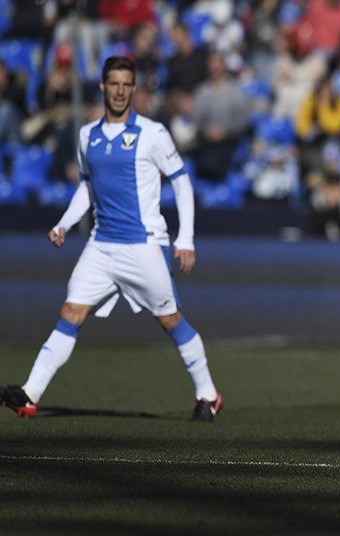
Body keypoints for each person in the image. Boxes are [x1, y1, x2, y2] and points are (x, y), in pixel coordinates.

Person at [0, 57, 223, 422]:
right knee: (70, 313)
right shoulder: (88, 135)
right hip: (101, 246)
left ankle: (208, 394)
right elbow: (88, 187)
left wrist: (186, 239)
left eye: (126, 85)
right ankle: (29, 394)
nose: (120, 91)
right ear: (102, 87)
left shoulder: (153, 134)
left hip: (143, 245)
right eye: (113, 84)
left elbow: (181, 182)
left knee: (170, 320)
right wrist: (64, 223)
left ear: (133, 89)